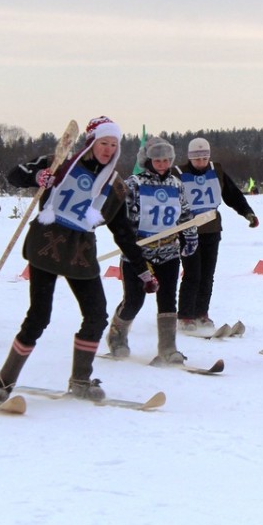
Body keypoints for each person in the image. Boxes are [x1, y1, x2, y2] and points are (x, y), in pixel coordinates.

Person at [0, 116, 150, 403]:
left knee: (97, 314)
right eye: (104, 143)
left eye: (114, 144)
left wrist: (142, 270)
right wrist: (37, 178)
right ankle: (3, 382)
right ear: (92, 142)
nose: (108, 149)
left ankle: (80, 380)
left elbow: (123, 231)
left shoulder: (114, 185)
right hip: (46, 244)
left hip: (80, 252)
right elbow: (14, 175)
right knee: (39, 317)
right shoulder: (59, 162)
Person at [105, 136, 199, 365]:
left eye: (167, 160)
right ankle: (117, 335)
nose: (163, 165)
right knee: (134, 301)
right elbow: (118, 216)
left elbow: (185, 215)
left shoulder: (176, 184)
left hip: (168, 252)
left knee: (168, 300)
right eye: (158, 161)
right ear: (148, 161)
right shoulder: (134, 184)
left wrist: (190, 235)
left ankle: (168, 348)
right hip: (138, 255)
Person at [175, 137, 259, 331]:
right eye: (197, 159)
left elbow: (232, 195)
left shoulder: (216, 171)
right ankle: (186, 315)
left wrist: (247, 212)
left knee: (207, 274)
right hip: (187, 232)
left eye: (204, 158)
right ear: (190, 158)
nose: (201, 163)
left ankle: (201, 313)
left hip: (212, 230)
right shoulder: (178, 174)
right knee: (192, 273)